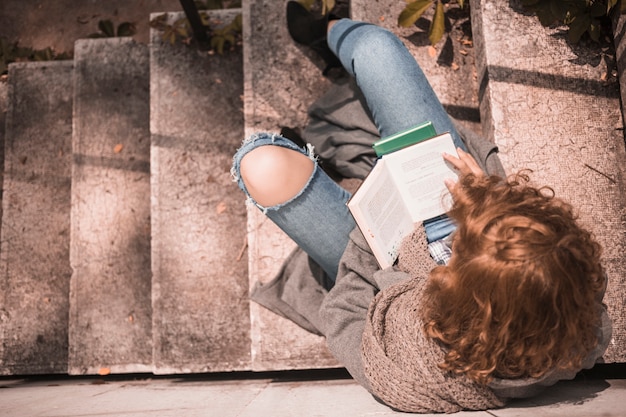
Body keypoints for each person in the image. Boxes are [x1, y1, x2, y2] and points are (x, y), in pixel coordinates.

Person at [231, 10, 612, 414]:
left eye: (460, 246)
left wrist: (376, 228)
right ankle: (328, 33)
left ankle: (325, 168)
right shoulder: (578, 310)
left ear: (460, 302)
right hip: (440, 205)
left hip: (372, 258)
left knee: (259, 164)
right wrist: (486, 192)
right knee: (376, 49)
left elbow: (342, 312)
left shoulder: (407, 369)